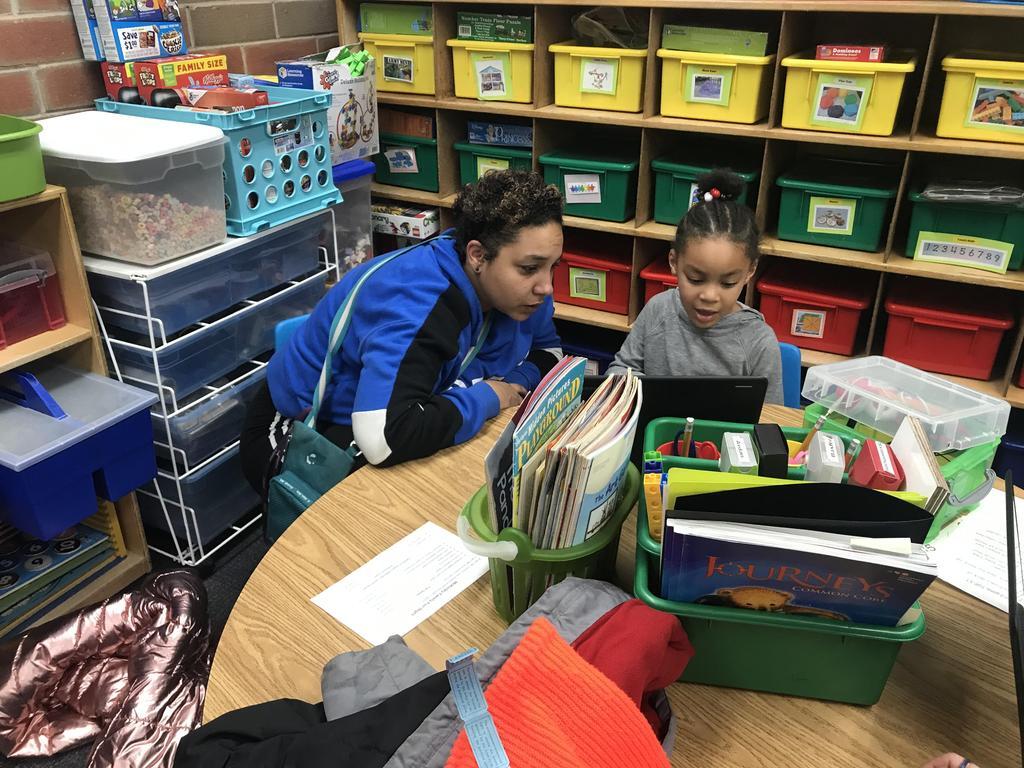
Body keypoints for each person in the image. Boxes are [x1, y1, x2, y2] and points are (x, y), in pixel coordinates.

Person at [240, 170, 564, 493]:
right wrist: (490, 395)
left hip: (395, 409)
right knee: (397, 504)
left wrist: (513, 383)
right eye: (529, 268)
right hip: (299, 427)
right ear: (477, 256)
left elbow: (549, 351)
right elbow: (382, 439)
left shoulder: (523, 295)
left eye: (553, 266)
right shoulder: (419, 306)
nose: (546, 286)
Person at [606, 169, 783, 404]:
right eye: (695, 279)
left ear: (750, 271)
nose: (709, 296)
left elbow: (771, 415)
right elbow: (621, 370)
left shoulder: (759, 342)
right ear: (673, 262)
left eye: (728, 283)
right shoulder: (658, 310)